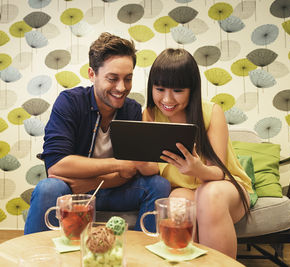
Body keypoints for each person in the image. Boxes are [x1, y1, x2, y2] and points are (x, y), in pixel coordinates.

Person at [24, 32, 170, 235]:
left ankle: (143, 252)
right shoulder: (70, 102)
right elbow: (57, 165)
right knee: (49, 188)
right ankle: (35, 257)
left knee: (159, 185)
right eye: (112, 79)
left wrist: (90, 183)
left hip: (108, 188)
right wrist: (118, 164)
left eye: (128, 79)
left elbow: (135, 169)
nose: (121, 87)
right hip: (71, 191)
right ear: (92, 74)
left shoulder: (132, 110)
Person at [143, 48, 253, 259]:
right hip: (182, 190)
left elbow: (219, 173)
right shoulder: (148, 115)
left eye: (177, 90)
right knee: (177, 204)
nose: (167, 99)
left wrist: (197, 169)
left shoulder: (211, 112)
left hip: (224, 187)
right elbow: (150, 168)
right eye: (159, 89)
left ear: (191, 89)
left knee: (208, 195)